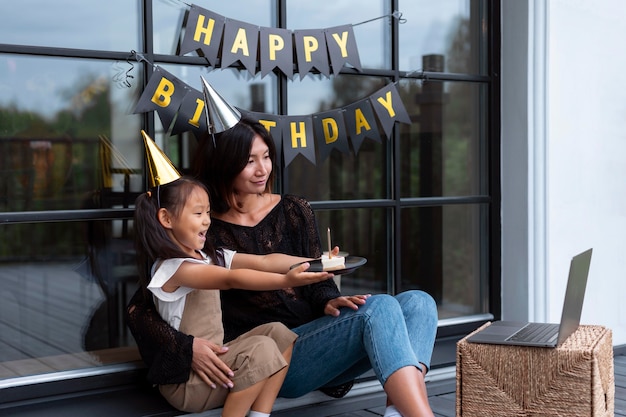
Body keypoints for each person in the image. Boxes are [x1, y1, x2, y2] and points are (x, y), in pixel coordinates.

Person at [127, 118, 438, 417]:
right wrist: (186, 346)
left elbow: (296, 271)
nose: (262, 169)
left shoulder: (292, 209)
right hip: (266, 359)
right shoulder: (200, 235)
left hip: (317, 342)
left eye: (266, 157)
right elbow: (141, 309)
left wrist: (327, 291)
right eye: (250, 161)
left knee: (419, 302)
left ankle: (398, 410)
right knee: (380, 307)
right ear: (226, 165)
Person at [131, 175, 335, 416]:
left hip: (216, 364)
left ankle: (260, 414)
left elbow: (265, 261)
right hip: (188, 382)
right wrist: (285, 281)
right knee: (261, 349)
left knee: (279, 334)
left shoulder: (209, 256)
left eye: (208, 213)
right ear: (166, 218)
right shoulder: (174, 268)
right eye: (198, 214)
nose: (207, 221)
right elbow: (231, 279)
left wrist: (318, 263)